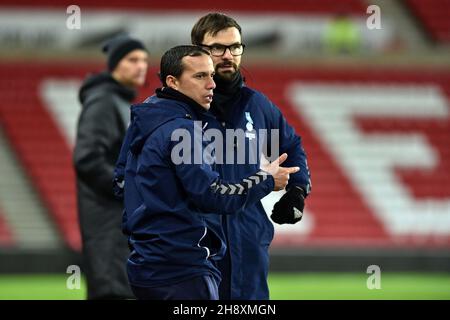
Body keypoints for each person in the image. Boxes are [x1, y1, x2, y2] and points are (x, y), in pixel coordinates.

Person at [116, 45, 299, 300]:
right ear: (173, 82)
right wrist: (265, 179)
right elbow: (212, 195)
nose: (211, 84)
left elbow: (121, 181)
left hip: (145, 265)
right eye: (200, 76)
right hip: (183, 269)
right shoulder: (184, 130)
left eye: (211, 75)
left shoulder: (146, 118)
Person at [191, 13, 312, 300]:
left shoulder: (256, 106)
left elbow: (291, 146)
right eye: (217, 48)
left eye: (235, 47)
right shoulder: (177, 109)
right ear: (197, 52)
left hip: (248, 240)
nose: (227, 55)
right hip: (195, 244)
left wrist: (297, 191)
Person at [73, 34, 149, 299]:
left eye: (144, 60)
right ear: (115, 64)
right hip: (108, 227)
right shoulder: (103, 101)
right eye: (133, 59)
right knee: (114, 292)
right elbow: (87, 158)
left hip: (119, 224)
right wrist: (130, 189)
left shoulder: (119, 102)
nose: (141, 66)